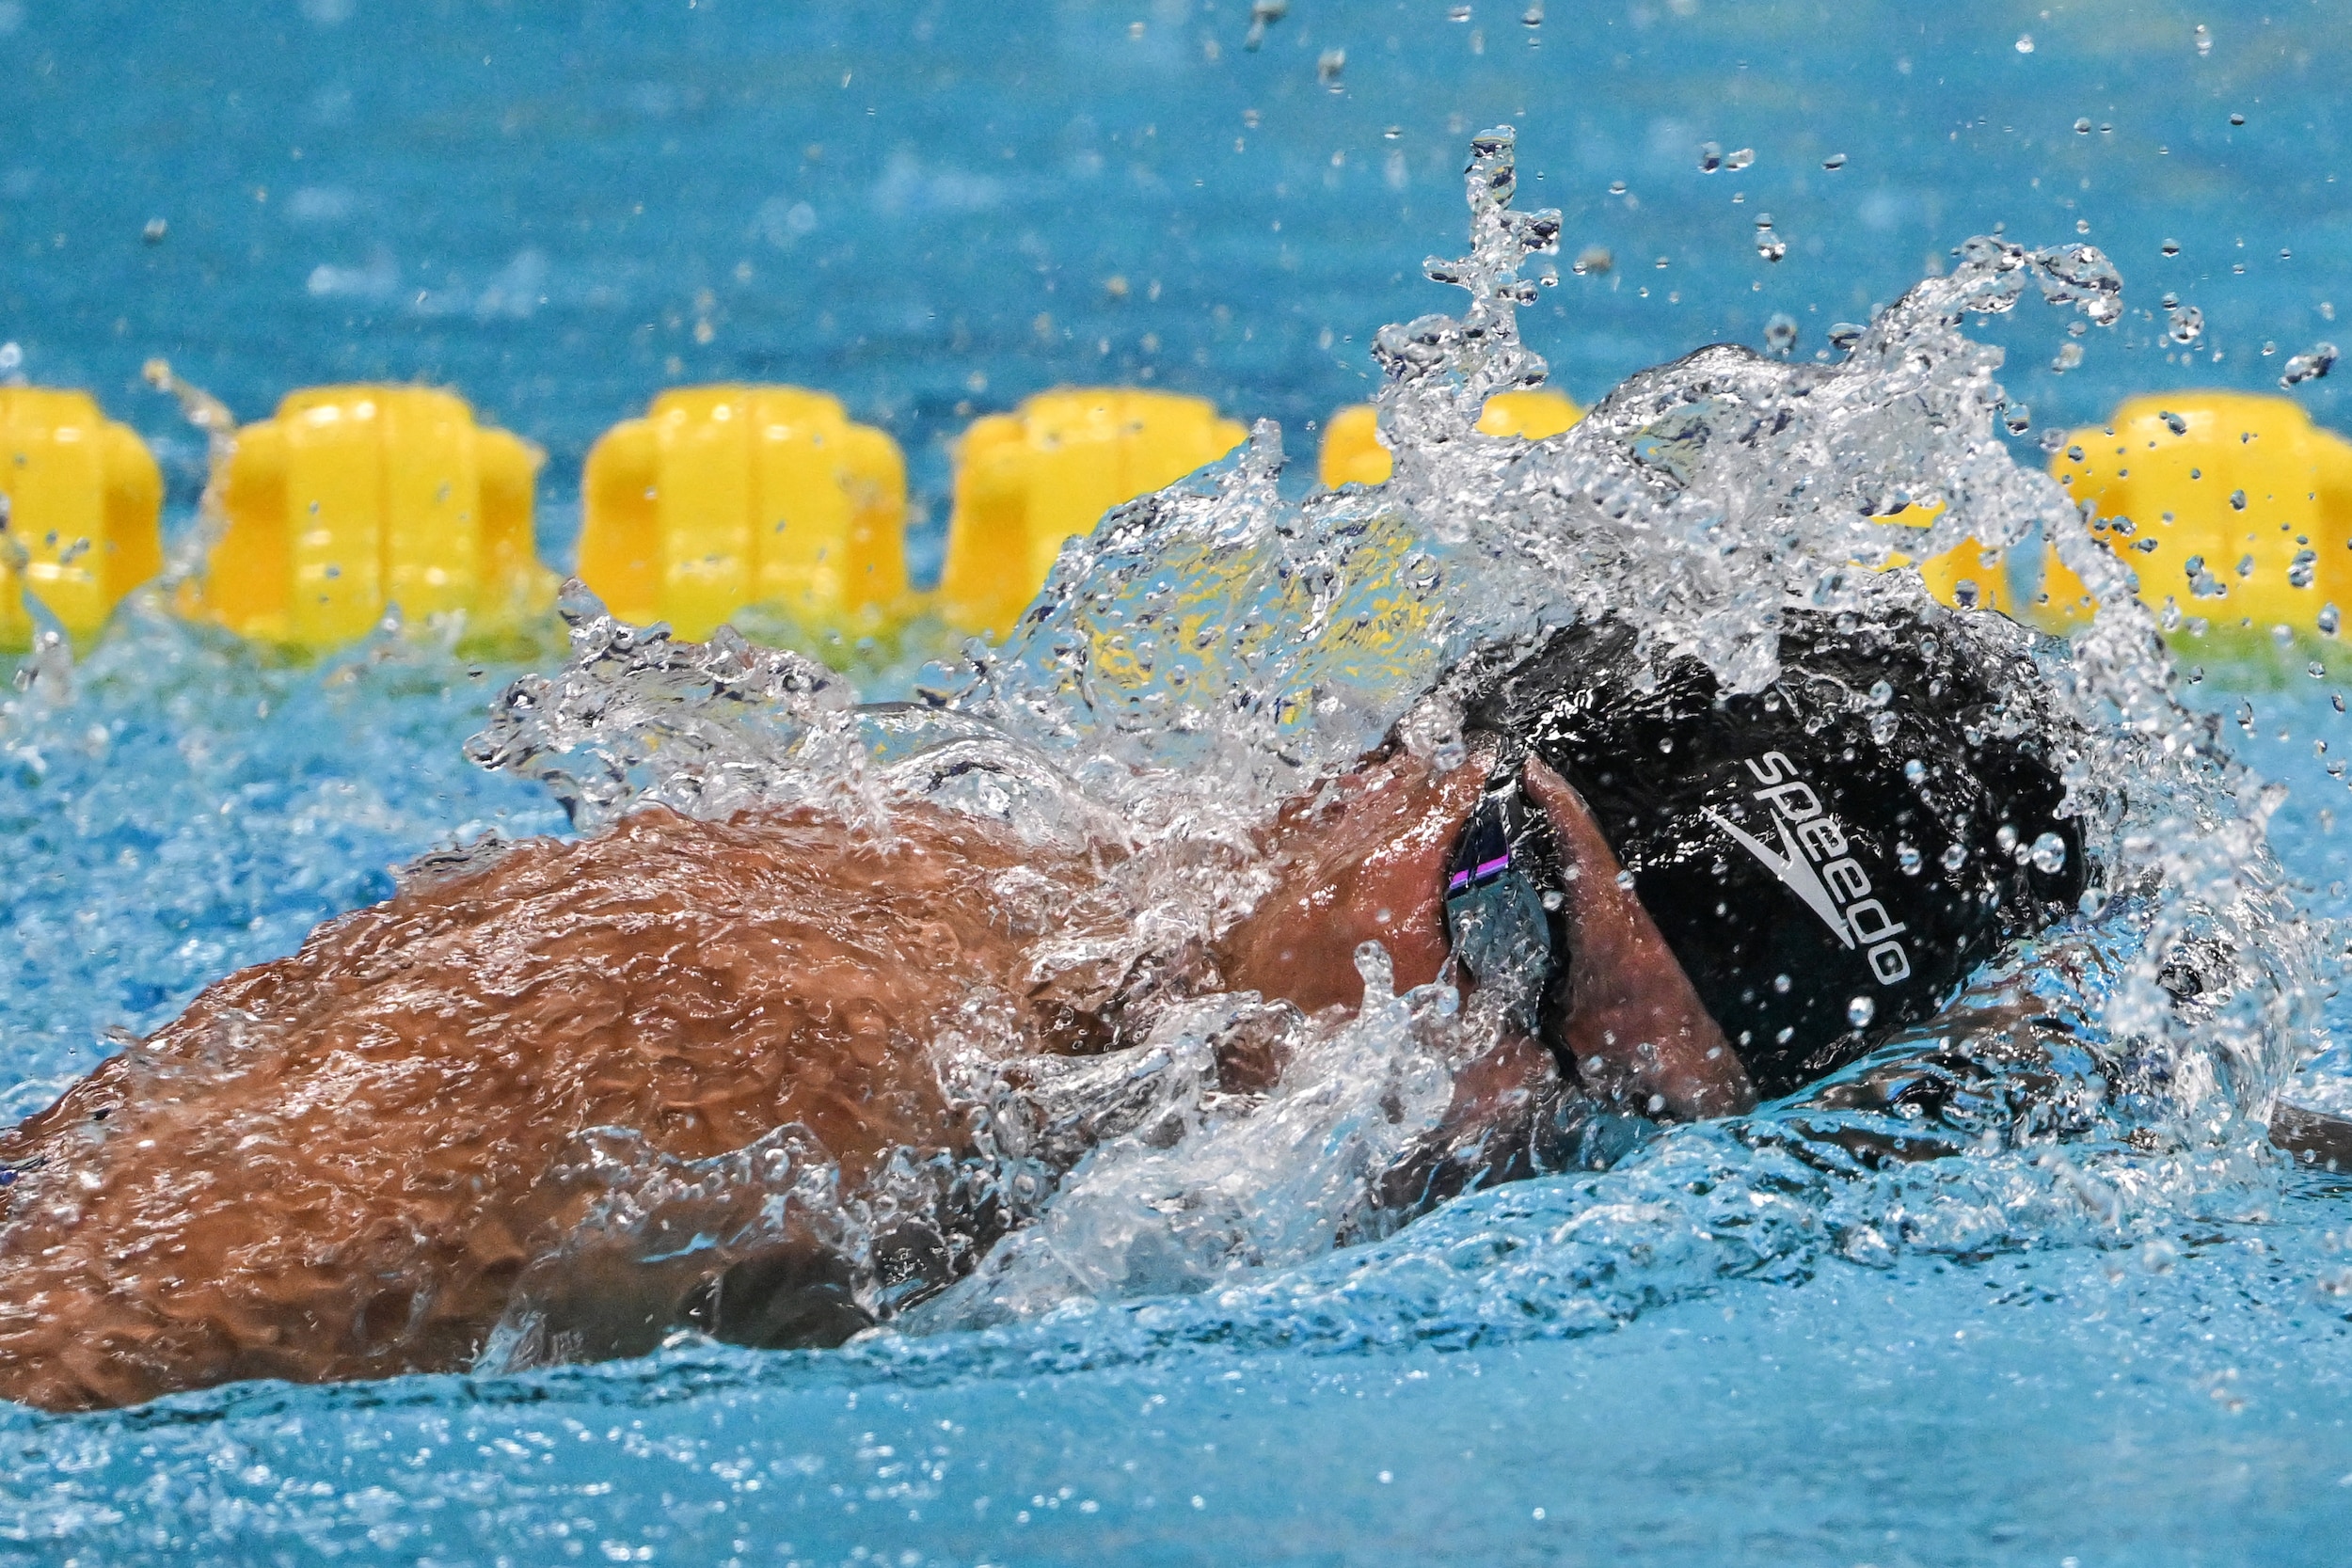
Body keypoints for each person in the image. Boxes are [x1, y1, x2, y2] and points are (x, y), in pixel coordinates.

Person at [0, 609, 2339, 1412]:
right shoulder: (766, 1059)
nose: (1460, 1098)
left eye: (1597, 1115)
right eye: (1506, 947)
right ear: (1389, 765)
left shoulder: (1211, 986)